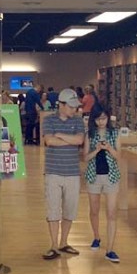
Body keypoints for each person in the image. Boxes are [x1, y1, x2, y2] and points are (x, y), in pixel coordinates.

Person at [41, 88, 85, 260]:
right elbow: (49, 141)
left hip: (73, 172)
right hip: (53, 172)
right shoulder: (49, 119)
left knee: (70, 209)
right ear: (61, 104)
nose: (74, 110)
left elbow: (79, 140)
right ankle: (53, 245)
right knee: (53, 209)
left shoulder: (79, 121)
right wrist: (69, 139)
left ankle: (64, 242)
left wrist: (59, 135)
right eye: (71, 106)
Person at [84, 103, 121, 263]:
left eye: (104, 119)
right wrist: (97, 149)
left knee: (112, 213)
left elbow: (118, 156)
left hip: (111, 177)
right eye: (98, 119)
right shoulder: (89, 134)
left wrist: (109, 148)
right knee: (94, 210)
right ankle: (97, 237)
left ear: (108, 118)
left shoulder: (114, 133)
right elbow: (85, 158)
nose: (101, 122)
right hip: (93, 176)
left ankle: (110, 249)